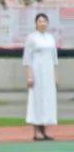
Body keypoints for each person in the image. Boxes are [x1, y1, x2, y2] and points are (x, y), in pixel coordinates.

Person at [24, 13, 59, 141]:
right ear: (36, 23)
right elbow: (27, 58)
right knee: (37, 100)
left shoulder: (50, 38)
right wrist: (29, 76)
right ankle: (36, 131)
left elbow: (54, 59)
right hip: (37, 73)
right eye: (40, 21)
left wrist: (55, 77)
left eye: (44, 21)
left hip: (48, 74)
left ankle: (44, 130)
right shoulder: (31, 38)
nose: (42, 23)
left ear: (47, 23)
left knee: (47, 101)